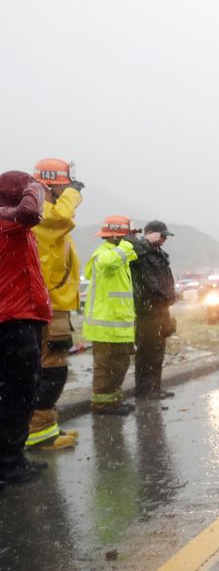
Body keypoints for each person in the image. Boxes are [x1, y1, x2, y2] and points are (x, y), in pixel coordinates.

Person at [26, 158, 85, 451]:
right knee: (50, 370)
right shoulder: (41, 212)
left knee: (52, 366)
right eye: (64, 185)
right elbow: (60, 219)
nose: (69, 191)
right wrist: (73, 194)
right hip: (45, 304)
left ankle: (45, 425)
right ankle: (38, 431)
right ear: (51, 184)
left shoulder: (47, 212)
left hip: (54, 303)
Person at [0, 171, 51, 486]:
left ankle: (11, 459)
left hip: (20, 317)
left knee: (16, 391)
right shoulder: (11, 221)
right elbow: (31, 211)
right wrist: (37, 186)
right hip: (13, 320)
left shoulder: (11, 223)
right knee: (18, 393)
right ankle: (9, 463)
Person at [84, 215, 141, 416]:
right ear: (117, 235)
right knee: (106, 368)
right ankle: (101, 404)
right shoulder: (103, 254)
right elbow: (108, 263)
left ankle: (114, 401)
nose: (132, 239)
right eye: (129, 234)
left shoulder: (120, 257)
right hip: (105, 327)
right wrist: (126, 246)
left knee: (120, 365)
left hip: (118, 327)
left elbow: (128, 256)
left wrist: (127, 246)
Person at [129, 220, 177, 400]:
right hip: (146, 311)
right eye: (161, 235)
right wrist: (146, 240)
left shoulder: (160, 254)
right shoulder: (139, 249)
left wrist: (171, 296)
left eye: (165, 236)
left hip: (161, 310)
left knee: (158, 352)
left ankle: (155, 389)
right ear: (150, 233)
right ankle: (143, 391)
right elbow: (131, 248)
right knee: (146, 353)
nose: (164, 239)